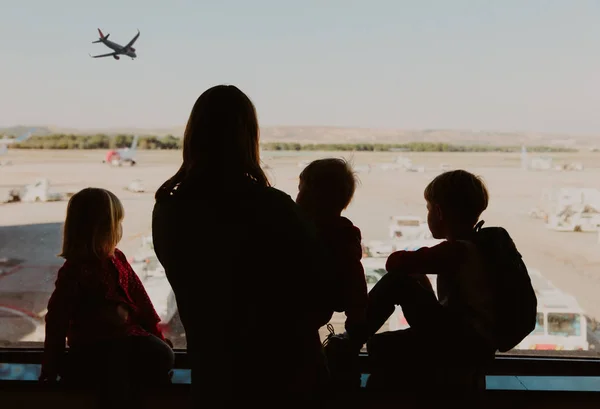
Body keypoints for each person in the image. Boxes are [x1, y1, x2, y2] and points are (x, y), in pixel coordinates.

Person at [152, 85, 334, 408]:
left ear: (193, 135)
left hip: (214, 377)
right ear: (249, 138)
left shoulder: (168, 209)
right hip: (285, 376)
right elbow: (321, 299)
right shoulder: (277, 209)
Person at [356, 170, 498, 396]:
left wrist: (411, 273)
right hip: (476, 343)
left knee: (397, 284)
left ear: (439, 212)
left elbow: (395, 264)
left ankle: (348, 341)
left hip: (463, 344)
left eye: (429, 208)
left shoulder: (457, 251)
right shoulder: (481, 245)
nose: (428, 214)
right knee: (379, 345)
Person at [40, 187, 174, 409]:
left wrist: (155, 334)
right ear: (102, 229)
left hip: (113, 349)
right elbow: (57, 319)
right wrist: (50, 364)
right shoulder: (75, 271)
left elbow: (141, 301)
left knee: (154, 355)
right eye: (117, 223)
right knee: (132, 363)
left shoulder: (116, 259)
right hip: (94, 350)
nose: (120, 229)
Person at [296, 158, 367, 395]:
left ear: (312, 195)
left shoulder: (304, 232)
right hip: (311, 318)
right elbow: (356, 287)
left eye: (301, 188)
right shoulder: (345, 237)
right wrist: (354, 327)